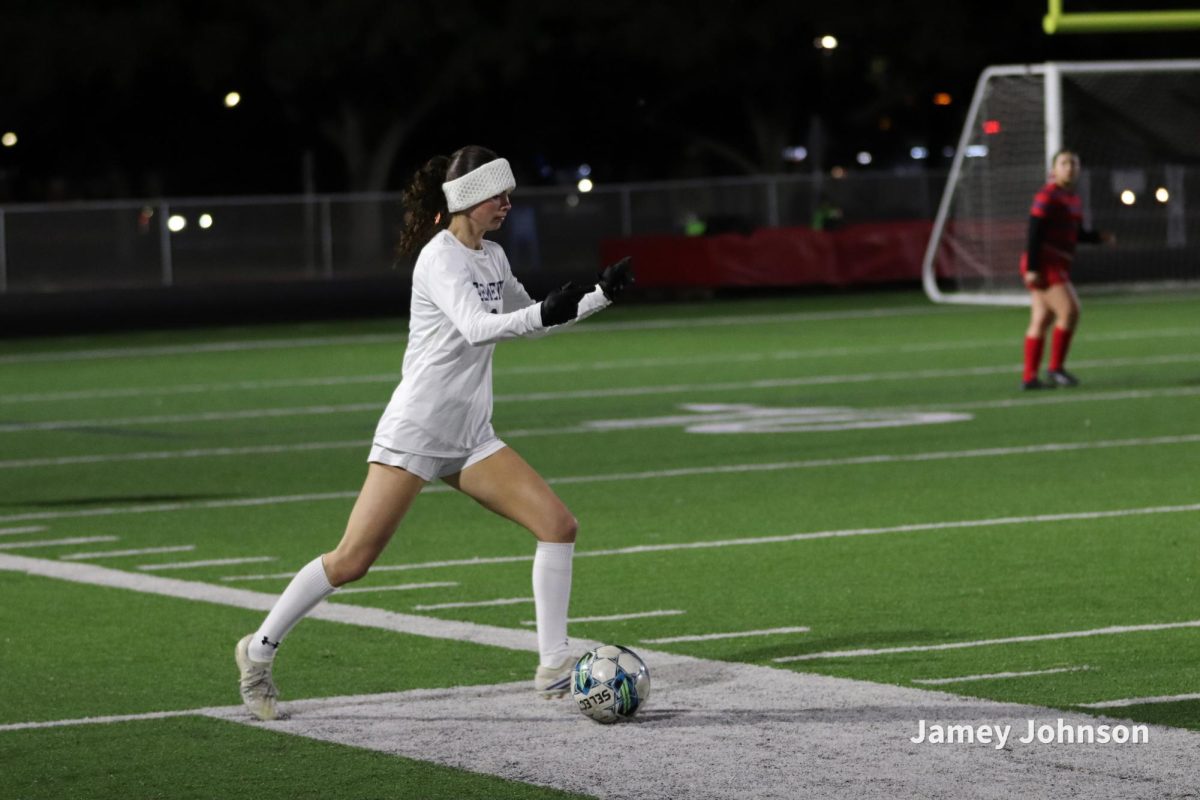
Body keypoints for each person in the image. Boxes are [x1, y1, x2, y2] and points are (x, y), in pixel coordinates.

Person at [234, 145, 635, 721]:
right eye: (498, 194)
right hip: (418, 431)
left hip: (470, 434)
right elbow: (478, 329)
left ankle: (552, 668)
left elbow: (530, 321)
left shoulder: (492, 255)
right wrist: (545, 311)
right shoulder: (440, 259)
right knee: (351, 561)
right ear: (468, 197)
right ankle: (259, 650)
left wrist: (599, 296)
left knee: (558, 525)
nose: (507, 202)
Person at [1019, 148, 1114, 390]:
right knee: (1070, 311)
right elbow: (1034, 230)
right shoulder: (1048, 195)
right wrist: (1032, 267)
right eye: (1064, 163)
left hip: (1056, 261)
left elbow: (1076, 234)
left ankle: (1030, 378)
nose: (1069, 167)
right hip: (1044, 262)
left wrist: (1097, 237)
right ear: (1053, 169)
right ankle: (1055, 369)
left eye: (1073, 163)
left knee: (1041, 319)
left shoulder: (1072, 198)